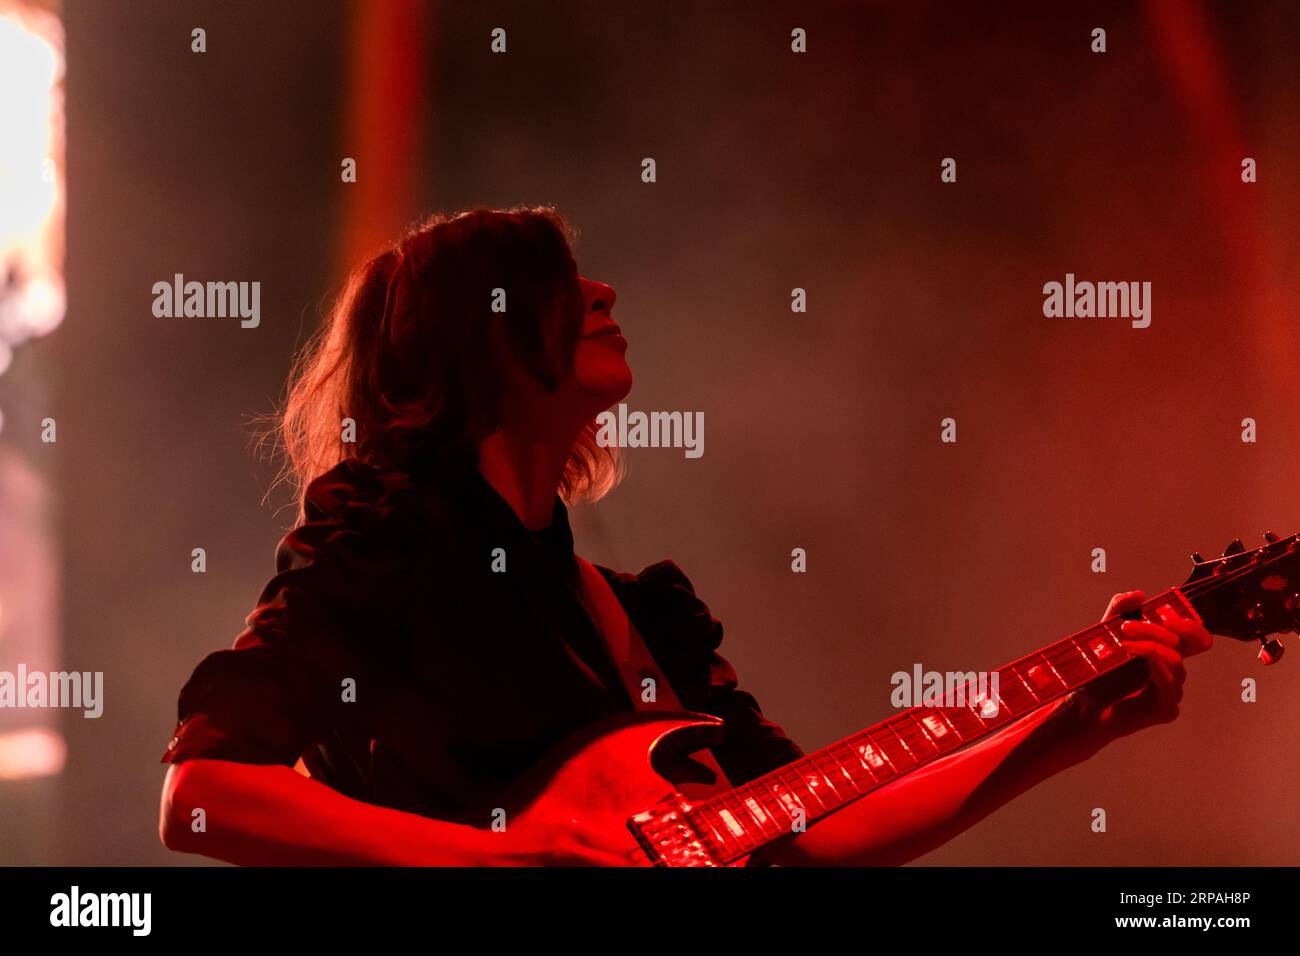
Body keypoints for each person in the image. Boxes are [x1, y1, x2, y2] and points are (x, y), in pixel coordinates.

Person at [157, 206, 1213, 866]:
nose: (604, 291)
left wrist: (1074, 723)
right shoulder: (383, 545)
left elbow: (809, 828)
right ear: (476, 333)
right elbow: (201, 797)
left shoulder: (634, 616)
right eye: (558, 281)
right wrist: (500, 857)